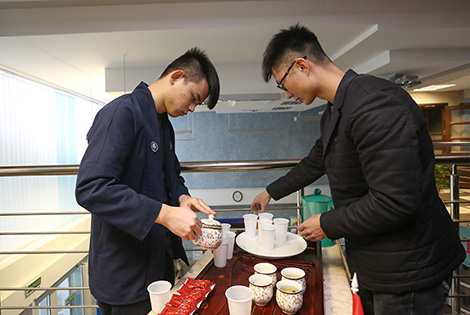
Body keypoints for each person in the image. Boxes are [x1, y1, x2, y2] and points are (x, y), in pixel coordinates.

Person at [251, 24, 465, 314]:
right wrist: (270, 192)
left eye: (282, 83)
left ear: (301, 66)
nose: (287, 95)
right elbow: (317, 161)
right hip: (378, 263)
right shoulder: (336, 109)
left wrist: (326, 223)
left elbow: (396, 201)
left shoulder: (375, 104)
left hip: (409, 271)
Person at [75, 47, 220, 315]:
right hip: (125, 273)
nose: (191, 108)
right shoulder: (121, 113)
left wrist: (182, 197)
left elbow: (171, 176)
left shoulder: (163, 124)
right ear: (176, 77)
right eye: (193, 98)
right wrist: (164, 214)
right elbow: (91, 187)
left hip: (157, 264)